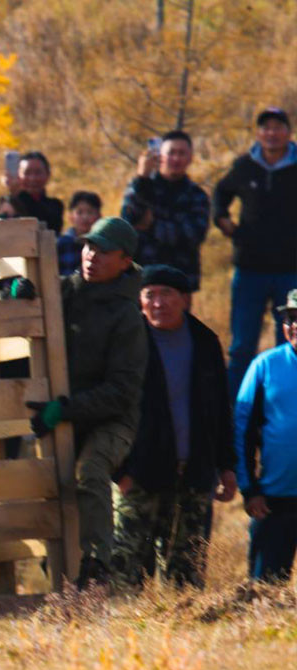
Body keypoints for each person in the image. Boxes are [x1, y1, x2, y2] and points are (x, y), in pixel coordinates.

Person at [26, 216, 147, 587]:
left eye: (104, 250)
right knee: (45, 486)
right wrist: (17, 294)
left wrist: (66, 408)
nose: (91, 255)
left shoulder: (128, 317)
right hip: (65, 414)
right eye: (88, 246)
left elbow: (121, 392)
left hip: (112, 420)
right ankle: (59, 574)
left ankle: (97, 567)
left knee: (89, 471)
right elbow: (22, 299)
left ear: (125, 261)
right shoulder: (62, 291)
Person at [111, 265, 235, 588]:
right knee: (126, 573)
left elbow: (220, 409)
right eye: (149, 295)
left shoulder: (205, 342)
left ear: (184, 299)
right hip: (139, 475)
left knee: (186, 576)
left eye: (166, 294)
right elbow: (108, 410)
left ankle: (183, 636)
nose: (158, 303)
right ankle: (127, 637)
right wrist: (120, 470)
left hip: (193, 475)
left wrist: (226, 466)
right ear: (139, 301)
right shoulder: (126, 343)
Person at [214, 107, 297, 397]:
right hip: (250, 268)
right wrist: (222, 220)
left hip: (291, 269)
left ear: (288, 132)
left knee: (288, 345)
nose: (271, 133)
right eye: (266, 128)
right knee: (241, 346)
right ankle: (238, 408)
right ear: (259, 133)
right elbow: (221, 193)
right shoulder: (245, 166)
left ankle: (282, 403)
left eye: (278, 127)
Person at [234, 291, 297, 582]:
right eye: (290, 318)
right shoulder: (265, 366)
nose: (294, 325)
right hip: (275, 501)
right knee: (265, 591)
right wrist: (250, 489)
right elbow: (242, 431)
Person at [120, 130, 210, 291]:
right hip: (141, 277)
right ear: (160, 155)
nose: (176, 158)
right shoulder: (143, 185)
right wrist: (142, 178)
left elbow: (193, 234)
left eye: (181, 153)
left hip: (180, 280)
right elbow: (128, 219)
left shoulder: (197, 195)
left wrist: (152, 225)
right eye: (171, 153)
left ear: (190, 157)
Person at [13, 151, 63, 233]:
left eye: (38, 173)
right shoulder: (10, 203)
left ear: (48, 175)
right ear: (18, 175)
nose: (32, 178)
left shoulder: (55, 206)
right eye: (27, 173)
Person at [56, 191, 101, 276]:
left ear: (99, 216)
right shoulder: (61, 243)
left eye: (90, 212)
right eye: (79, 212)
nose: (85, 217)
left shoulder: (102, 244)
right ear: (71, 217)